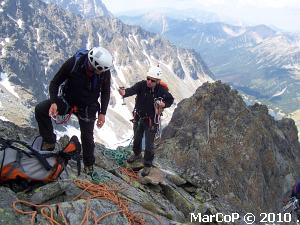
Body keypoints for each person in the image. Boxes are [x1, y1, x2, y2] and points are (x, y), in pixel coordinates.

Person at [35, 47, 112, 176]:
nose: (101, 73)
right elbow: (55, 83)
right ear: (93, 65)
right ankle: (49, 141)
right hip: (68, 100)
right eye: (98, 70)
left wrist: (102, 113)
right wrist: (54, 102)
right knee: (41, 109)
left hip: (88, 105)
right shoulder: (73, 63)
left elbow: (105, 92)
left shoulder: (104, 71)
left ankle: (88, 164)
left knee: (87, 137)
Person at [118, 66, 174, 176]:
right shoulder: (141, 85)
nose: (149, 81)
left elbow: (170, 99)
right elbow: (131, 90)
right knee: (137, 139)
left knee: (149, 145)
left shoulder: (161, 90)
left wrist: (164, 104)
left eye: (152, 80)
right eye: (148, 78)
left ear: (157, 81)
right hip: (139, 118)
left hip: (151, 121)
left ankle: (147, 164)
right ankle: (137, 154)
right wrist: (124, 92)